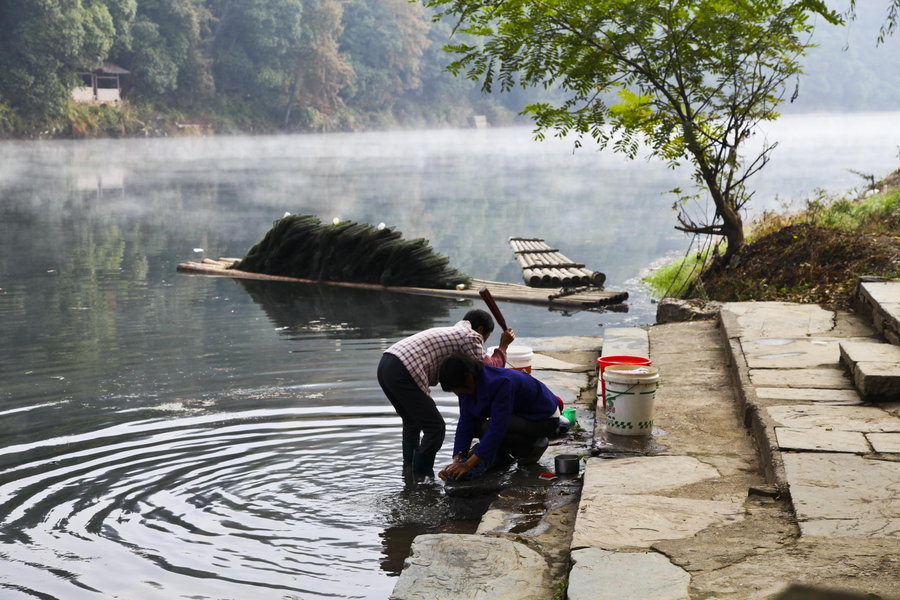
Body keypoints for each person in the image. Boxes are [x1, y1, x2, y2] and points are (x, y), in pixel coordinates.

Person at [377, 309, 514, 480]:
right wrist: (503, 346)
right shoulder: (470, 337)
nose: (482, 344)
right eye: (485, 338)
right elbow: (491, 369)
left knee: (412, 422)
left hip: (386, 363)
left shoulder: (456, 332)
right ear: (480, 330)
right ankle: (423, 478)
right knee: (435, 428)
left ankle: (410, 473)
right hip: (404, 367)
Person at [437, 353, 560, 482]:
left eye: (459, 389)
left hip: (544, 419)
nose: (459, 394)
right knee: (476, 428)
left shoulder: (500, 382)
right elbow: (465, 422)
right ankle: (500, 455)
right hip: (517, 416)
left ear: (468, 376)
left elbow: (498, 427)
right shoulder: (467, 388)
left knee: (487, 428)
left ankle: (534, 446)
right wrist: (458, 458)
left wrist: (468, 465)